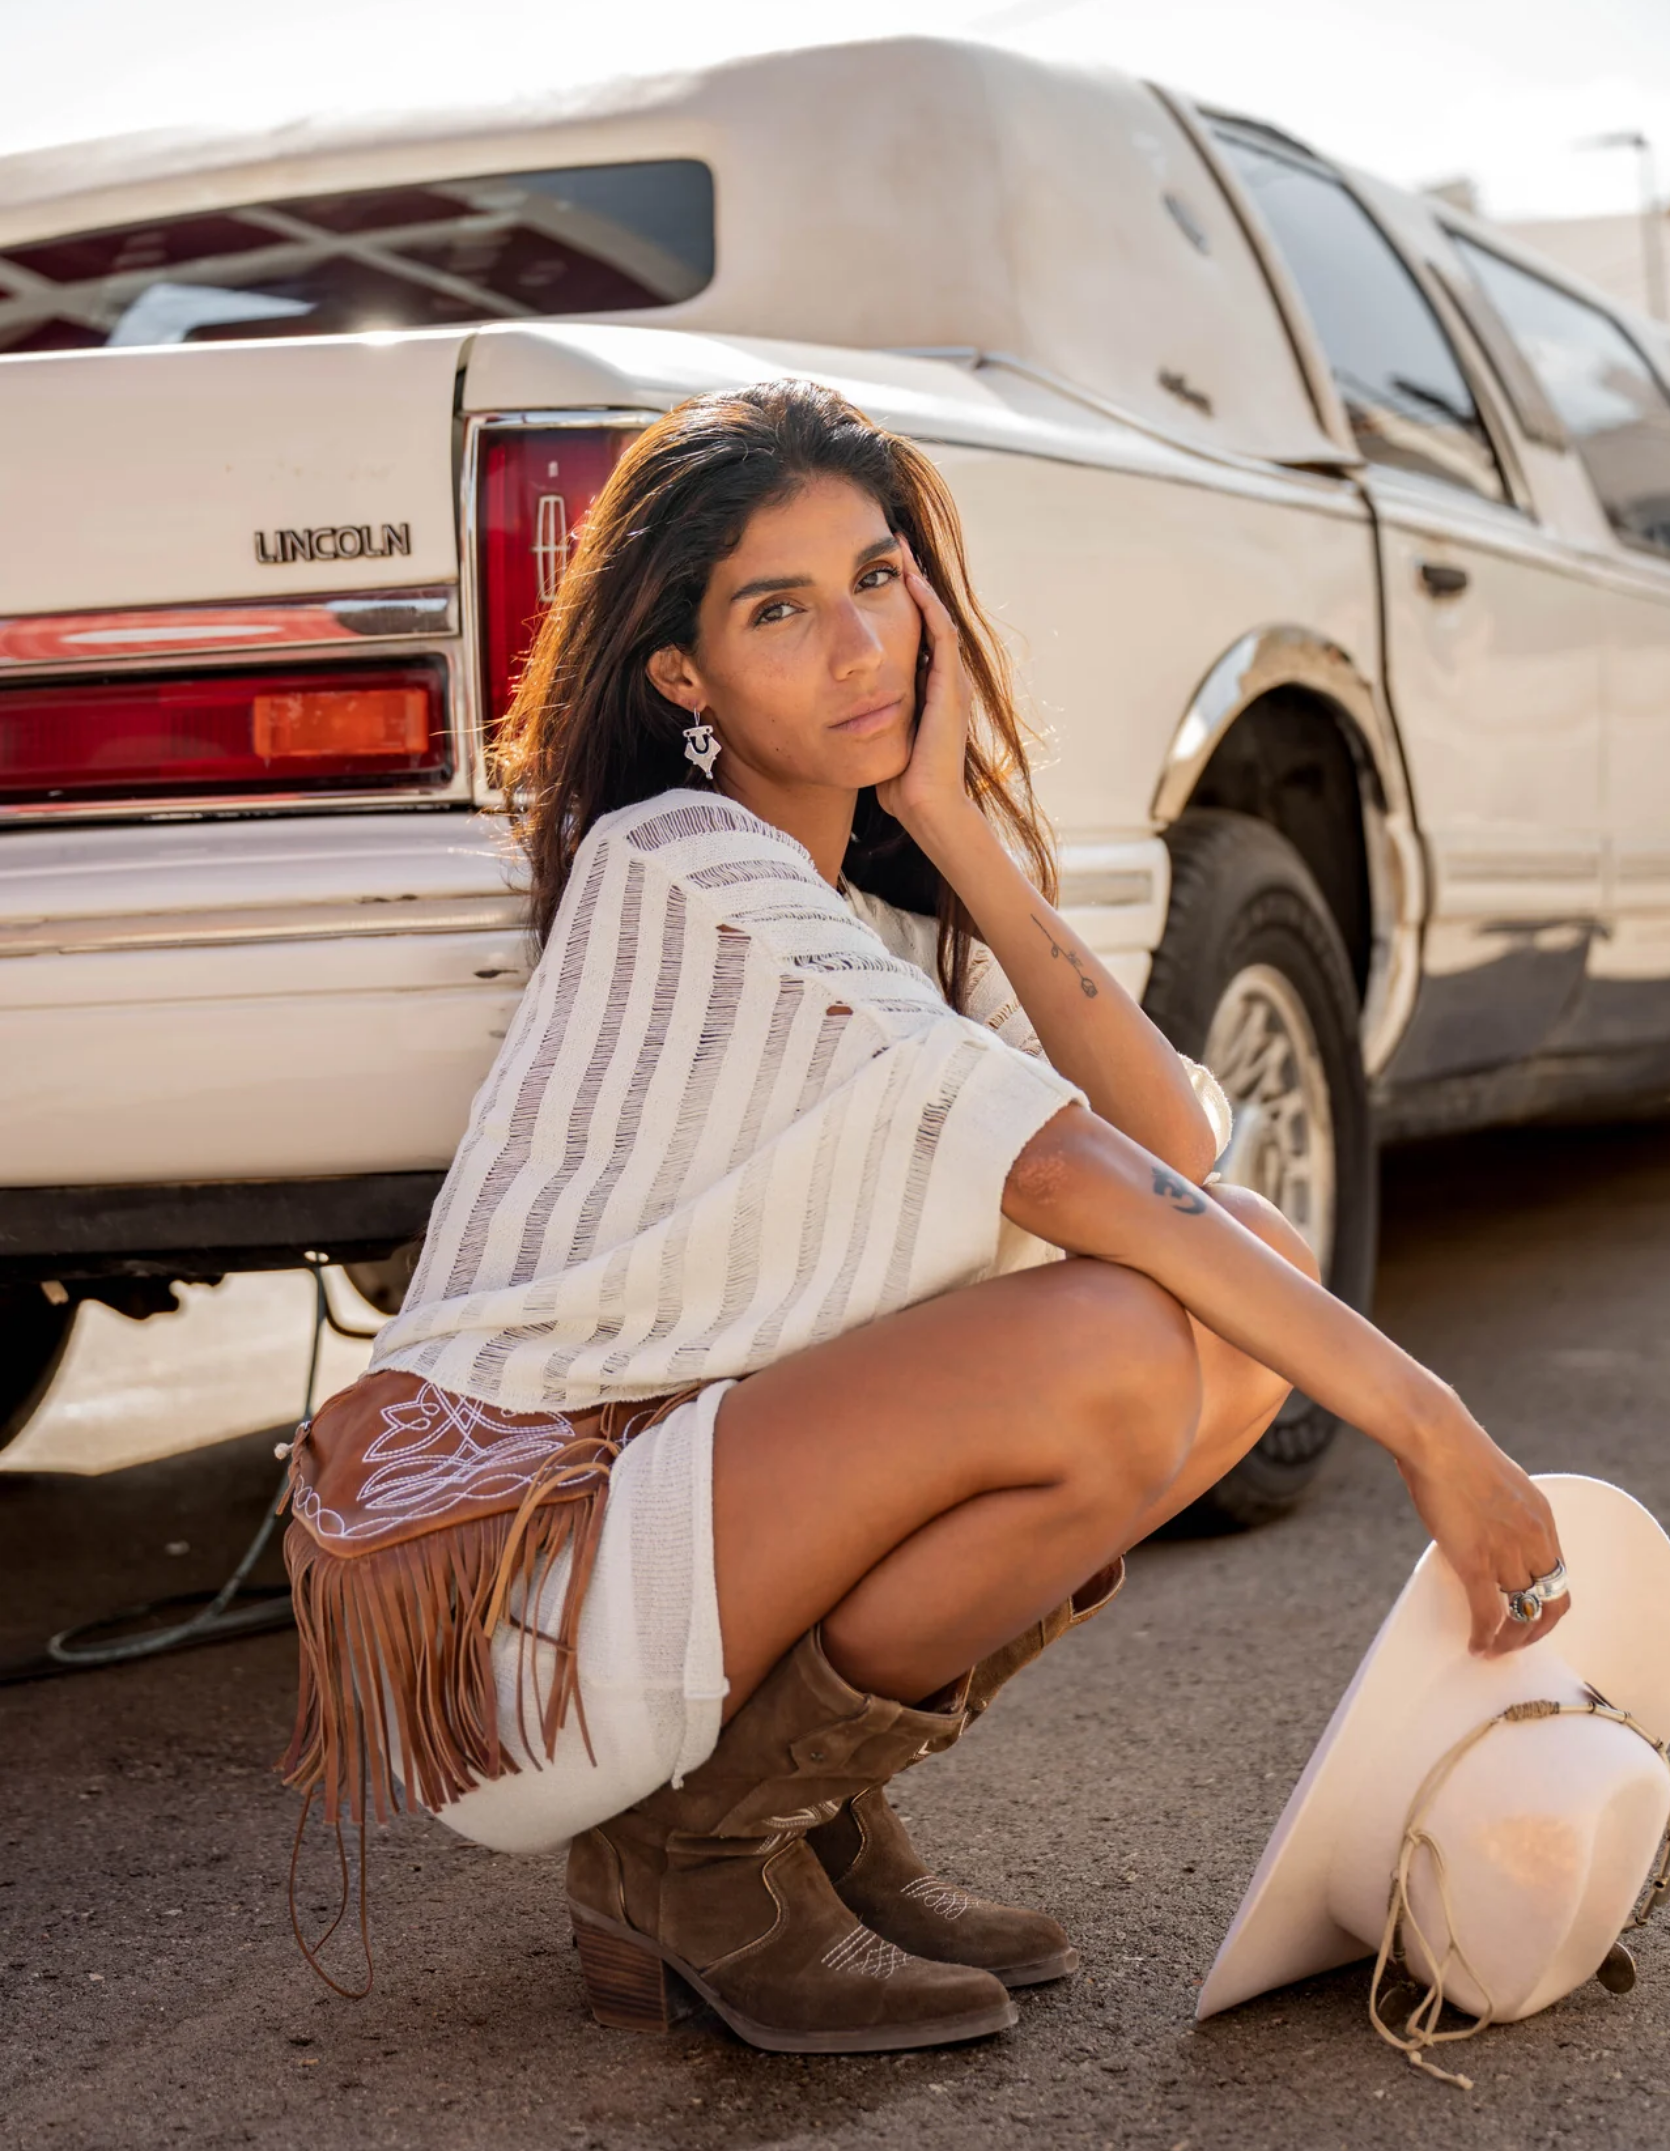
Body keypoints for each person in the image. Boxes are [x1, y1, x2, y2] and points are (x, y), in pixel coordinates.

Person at [279, 378, 1568, 2054]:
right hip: (521, 1603)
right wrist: (1431, 1426)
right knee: (1117, 1333)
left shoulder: (876, 923)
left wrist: (948, 814)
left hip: (668, 1552)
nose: (858, 644)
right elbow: (1071, 1179)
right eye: (779, 610)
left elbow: (1172, 1135)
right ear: (684, 677)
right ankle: (698, 1850)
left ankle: (801, 1812)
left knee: (1236, 1277)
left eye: (879, 580)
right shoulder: (683, 863)